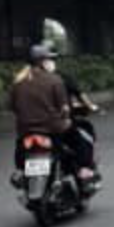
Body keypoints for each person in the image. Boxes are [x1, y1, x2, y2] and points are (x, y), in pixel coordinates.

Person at [8, 43, 74, 178]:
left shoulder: (18, 81)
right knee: (74, 142)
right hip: (51, 128)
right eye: (49, 59)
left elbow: (12, 107)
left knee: (20, 150)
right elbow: (64, 108)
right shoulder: (54, 80)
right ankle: (78, 171)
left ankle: (21, 171)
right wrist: (65, 118)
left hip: (25, 130)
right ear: (42, 61)